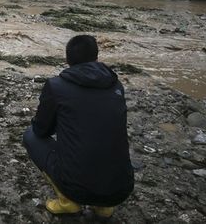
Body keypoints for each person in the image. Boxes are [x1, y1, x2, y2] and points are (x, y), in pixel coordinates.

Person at [23, 34, 134, 219]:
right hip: (121, 189)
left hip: (77, 187)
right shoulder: (116, 85)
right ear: (96, 57)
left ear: (67, 59)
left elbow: (41, 130)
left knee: (30, 136)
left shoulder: (56, 85)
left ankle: (68, 203)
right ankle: (103, 208)